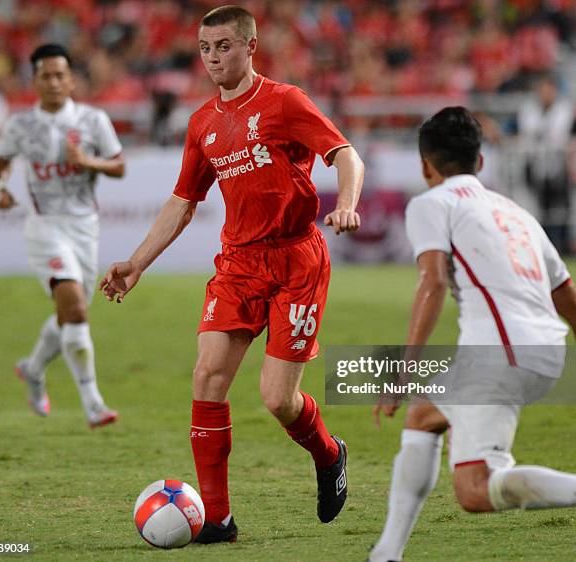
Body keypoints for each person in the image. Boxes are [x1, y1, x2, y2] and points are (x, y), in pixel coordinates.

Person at [100, 5, 364, 543]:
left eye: (223, 46)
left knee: (278, 400)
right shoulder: (202, 124)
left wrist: (348, 204)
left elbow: (345, 154)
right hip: (239, 265)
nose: (213, 57)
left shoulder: (285, 102)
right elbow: (182, 201)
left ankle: (329, 452)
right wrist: (136, 263)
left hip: (296, 260)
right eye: (205, 48)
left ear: (250, 47)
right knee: (208, 376)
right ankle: (217, 520)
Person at [368, 107, 576, 562]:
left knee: (476, 492)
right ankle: (386, 553)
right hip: (546, 350)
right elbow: (564, 290)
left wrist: (402, 371)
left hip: (500, 355)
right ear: (480, 162)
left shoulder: (431, 203)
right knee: (424, 416)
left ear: (425, 166)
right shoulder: (516, 212)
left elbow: (433, 281)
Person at [0, 44, 125, 429]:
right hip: (44, 227)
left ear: (71, 80)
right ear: (34, 80)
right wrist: (0, 188)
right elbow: (2, 160)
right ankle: (93, 403)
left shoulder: (92, 119)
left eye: (60, 75)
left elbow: (118, 165)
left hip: (85, 228)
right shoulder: (20, 125)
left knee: (69, 313)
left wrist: (89, 162)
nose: (53, 82)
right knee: (77, 310)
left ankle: (33, 369)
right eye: (45, 75)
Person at [518, 74, 574, 255]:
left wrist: (541, 134)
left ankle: (561, 248)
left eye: (549, 89)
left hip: (559, 166)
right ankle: (538, 248)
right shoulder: (529, 107)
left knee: (560, 210)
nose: (545, 93)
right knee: (537, 210)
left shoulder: (563, 108)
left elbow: (557, 132)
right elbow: (529, 131)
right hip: (534, 165)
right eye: (542, 89)